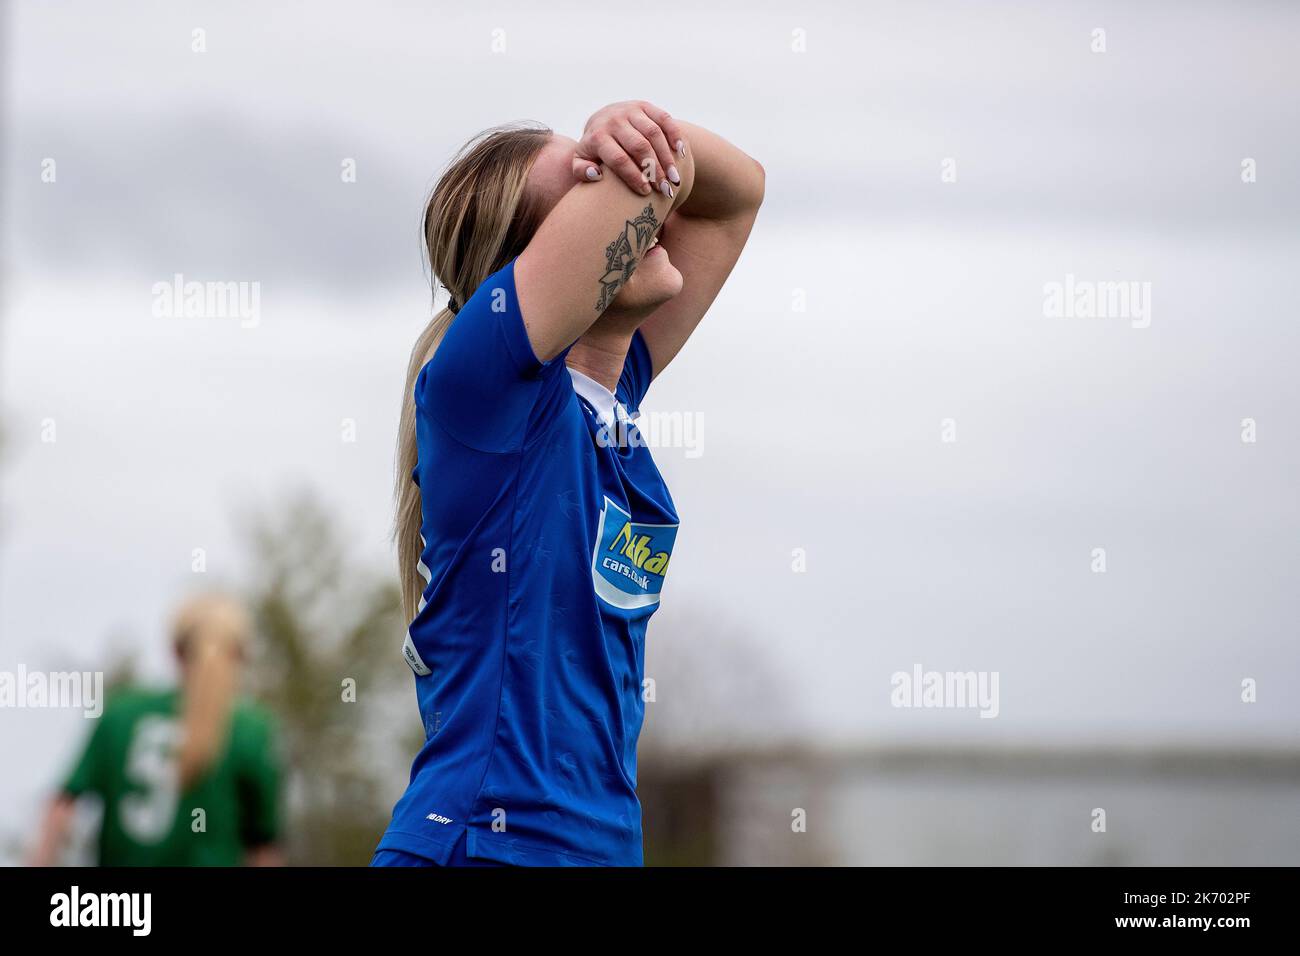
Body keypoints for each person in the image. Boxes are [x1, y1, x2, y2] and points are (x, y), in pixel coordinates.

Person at [375, 100, 764, 866]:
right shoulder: (480, 390)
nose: (616, 176)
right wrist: (635, 146)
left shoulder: (611, 399)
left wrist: (644, 121)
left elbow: (737, 194)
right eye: (587, 179)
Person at [28, 594, 283, 866]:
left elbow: (60, 809)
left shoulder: (121, 714)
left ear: (175, 650)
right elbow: (263, 847)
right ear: (240, 656)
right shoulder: (252, 730)